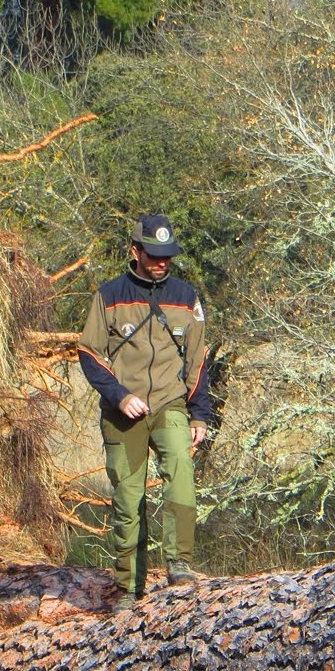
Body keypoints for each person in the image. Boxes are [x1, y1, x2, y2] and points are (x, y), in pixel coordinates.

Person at [77, 214, 211, 605]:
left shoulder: (186, 297)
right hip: (124, 413)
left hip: (170, 403)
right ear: (135, 251)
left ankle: (180, 565)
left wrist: (198, 413)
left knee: (181, 474)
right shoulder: (109, 295)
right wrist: (119, 395)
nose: (161, 262)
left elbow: (198, 360)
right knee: (128, 498)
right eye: (153, 254)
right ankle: (128, 588)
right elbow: (88, 353)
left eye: (167, 255)